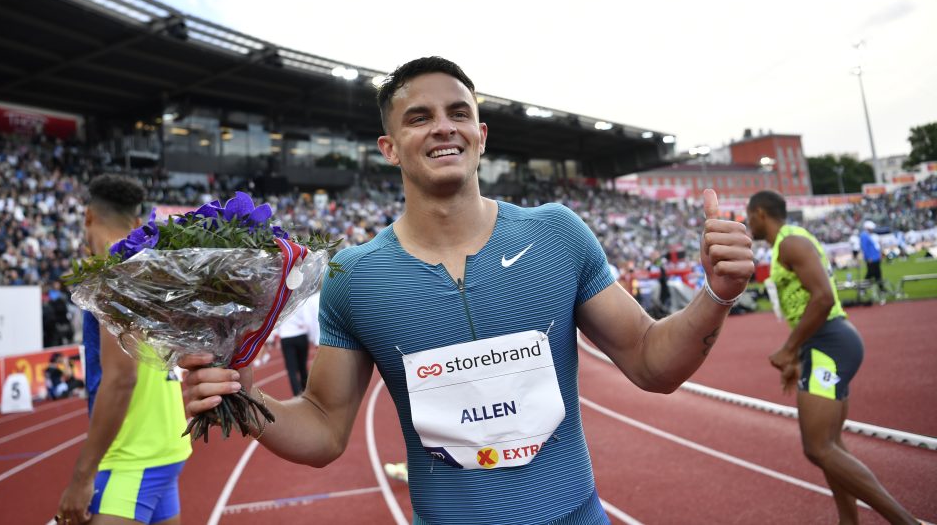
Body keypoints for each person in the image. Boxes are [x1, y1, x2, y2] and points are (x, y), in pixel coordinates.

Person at [182, 57, 754, 525]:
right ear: (389, 146)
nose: (443, 127)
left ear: (480, 135)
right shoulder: (354, 276)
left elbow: (653, 364)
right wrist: (243, 399)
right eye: (419, 117)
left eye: (459, 113)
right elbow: (325, 430)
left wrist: (717, 294)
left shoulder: (556, 233)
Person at [746, 191, 916, 525]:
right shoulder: (789, 242)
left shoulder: (791, 243)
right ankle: (848, 522)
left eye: (749, 215)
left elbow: (823, 298)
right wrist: (796, 355)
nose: (747, 222)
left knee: (817, 447)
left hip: (830, 343)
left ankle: (906, 522)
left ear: (761, 213)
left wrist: (789, 349)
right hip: (824, 344)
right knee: (830, 446)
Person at [56, 174, 191, 525]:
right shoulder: (149, 269)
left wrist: (82, 476)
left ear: (87, 216)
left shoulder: (112, 275)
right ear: (135, 222)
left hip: (133, 451)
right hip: (167, 439)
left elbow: (120, 380)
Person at [276, 291, 320, 396]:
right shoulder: (299, 302)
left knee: (291, 370)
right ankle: (306, 392)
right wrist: (312, 338)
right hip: (301, 336)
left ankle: (297, 395)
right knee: (302, 367)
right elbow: (307, 320)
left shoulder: (280, 304)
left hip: (286, 338)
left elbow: (276, 322)